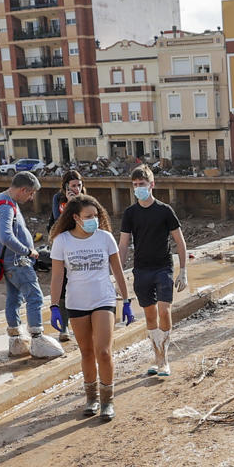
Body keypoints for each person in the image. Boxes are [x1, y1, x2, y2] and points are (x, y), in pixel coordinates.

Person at [48, 193, 131, 420]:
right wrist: (54, 305)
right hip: (76, 302)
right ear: (76, 217)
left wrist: (127, 301)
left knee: (103, 352)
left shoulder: (105, 238)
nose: (94, 219)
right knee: (86, 352)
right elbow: (57, 276)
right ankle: (92, 398)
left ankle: (107, 400)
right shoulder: (62, 241)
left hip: (103, 299)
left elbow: (117, 271)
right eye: (88, 216)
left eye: (96, 215)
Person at [116, 164, 188, 377]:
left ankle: (164, 358)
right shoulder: (130, 213)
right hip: (141, 270)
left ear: (152, 185)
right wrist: (118, 276)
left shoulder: (165, 210)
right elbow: (123, 245)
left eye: (142, 184)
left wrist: (183, 270)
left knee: (164, 311)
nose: (138, 187)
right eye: (135, 184)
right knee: (149, 316)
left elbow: (180, 242)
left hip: (163, 267)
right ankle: (156, 356)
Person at [0, 172, 61, 360]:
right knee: (35, 297)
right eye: (30, 194)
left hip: (9, 261)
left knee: (14, 298)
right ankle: (37, 340)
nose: (31, 198)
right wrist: (28, 251)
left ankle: (16, 340)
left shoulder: (1, 199)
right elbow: (5, 237)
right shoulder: (6, 207)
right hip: (17, 262)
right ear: (23, 189)